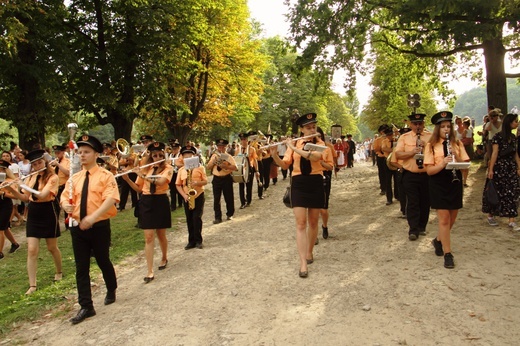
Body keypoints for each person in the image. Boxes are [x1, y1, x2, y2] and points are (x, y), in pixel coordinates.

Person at [60, 135, 119, 325]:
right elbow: (63, 197)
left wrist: (93, 217)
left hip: (99, 226)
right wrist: (65, 206)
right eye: (80, 152)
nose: (82, 155)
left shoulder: (105, 176)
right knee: (81, 267)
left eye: (86, 152)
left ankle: (111, 288)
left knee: (103, 260)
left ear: (96, 154)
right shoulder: (74, 177)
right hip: (78, 228)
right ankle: (86, 306)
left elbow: (110, 199)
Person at [269, 113, 325, 278]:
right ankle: (302, 263)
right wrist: (273, 154)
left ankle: (309, 252)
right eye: (308, 127)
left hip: (315, 182)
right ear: (301, 129)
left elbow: (315, 156)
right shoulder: (294, 143)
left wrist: (293, 147)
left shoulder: (320, 143)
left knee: (314, 222)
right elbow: (285, 165)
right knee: (301, 223)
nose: (312, 129)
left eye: (313, 127)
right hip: (299, 183)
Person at [5, 150, 62, 294]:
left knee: (51, 247)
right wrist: (10, 188)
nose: (37, 166)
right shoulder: (32, 177)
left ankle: (59, 271)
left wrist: (22, 184)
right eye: (34, 165)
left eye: (40, 163)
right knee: (32, 250)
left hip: (48, 211)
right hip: (34, 213)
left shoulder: (53, 177)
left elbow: (42, 195)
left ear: (45, 162)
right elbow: (25, 198)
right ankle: (32, 285)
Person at [424, 111, 470, 269]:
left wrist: (456, 156)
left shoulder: (457, 143)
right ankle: (448, 254)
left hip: (454, 181)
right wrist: (443, 162)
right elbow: (429, 171)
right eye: (443, 126)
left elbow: (466, 163)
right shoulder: (430, 146)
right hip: (438, 182)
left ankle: (438, 241)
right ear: (438, 128)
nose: (446, 129)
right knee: (443, 219)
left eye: (448, 126)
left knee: (451, 219)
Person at [122, 142, 173, 282]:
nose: (157, 157)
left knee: (161, 234)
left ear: (163, 155)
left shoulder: (168, 168)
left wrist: (142, 175)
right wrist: (127, 179)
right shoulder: (146, 168)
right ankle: (149, 271)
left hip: (160, 201)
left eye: (159, 155)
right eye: (154, 155)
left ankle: (164, 257)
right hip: (146, 202)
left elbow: (161, 182)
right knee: (149, 236)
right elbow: (139, 189)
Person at [394, 113, 432, 241]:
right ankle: (413, 229)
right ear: (411, 125)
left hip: (426, 174)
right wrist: (411, 152)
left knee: (425, 202)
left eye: (420, 123)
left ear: (423, 124)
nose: (417, 126)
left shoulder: (430, 137)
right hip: (410, 174)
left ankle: (422, 226)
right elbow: (398, 154)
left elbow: (437, 154)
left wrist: (425, 147)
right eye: (415, 124)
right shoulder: (405, 137)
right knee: (413, 202)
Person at [482, 113, 520, 230]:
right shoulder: (498, 137)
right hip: (499, 167)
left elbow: (515, 154)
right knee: (496, 191)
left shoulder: (513, 138)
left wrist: (519, 166)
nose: (517, 123)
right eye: (515, 121)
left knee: (512, 192)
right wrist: (491, 169)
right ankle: (491, 215)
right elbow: (494, 154)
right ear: (509, 123)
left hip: (510, 168)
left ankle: (511, 220)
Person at [176, 145, 208, 249]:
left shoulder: (200, 167)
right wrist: (184, 195)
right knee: (189, 218)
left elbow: (206, 181)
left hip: (198, 195)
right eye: (185, 156)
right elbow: (178, 185)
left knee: (196, 218)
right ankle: (191, 241)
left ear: (194, 156)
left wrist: (197, 183)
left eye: (190, 156)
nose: (188, 158)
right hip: (187, 196)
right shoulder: (181, 170)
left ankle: (199, 240)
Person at [207, 139, 237, 224]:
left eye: (223, 147)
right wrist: (213, 162)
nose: (221, 148)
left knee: (229, 197)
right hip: (216, 179)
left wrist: (226, 166)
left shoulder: (228, 156)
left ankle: (230, 214)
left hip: (226, 178)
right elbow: (208, 167)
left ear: (225, 147)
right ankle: (217, 217)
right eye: (219, 146)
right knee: (216, 199)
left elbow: (235, 167)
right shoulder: (214, 156)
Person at [0, 161, 21, 259]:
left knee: (0, 228)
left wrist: (4, 194)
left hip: (5, 204)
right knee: (5, 228)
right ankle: (14, 244)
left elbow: (15, 196)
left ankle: (0, 253)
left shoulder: (10, 181)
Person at [317, 127, 335, 239]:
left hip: (324, 177)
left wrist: (321, 162)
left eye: (319, 136)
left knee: (323, 208)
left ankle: (325, 225)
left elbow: (330, 166)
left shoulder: (327, 148)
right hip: (310, 178)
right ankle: (312, 232)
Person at [237, 132, 260, 209]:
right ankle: (242, 202)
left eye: (245, 139)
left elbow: (255, 160)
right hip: (241, 169)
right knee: (241, 186)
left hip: (249, 168)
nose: (243, 141)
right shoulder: (238, 149)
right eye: (242, 140)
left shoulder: (252, 149)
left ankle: (248, 200)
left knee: (249, 185)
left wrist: (257, 171)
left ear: (247, 140)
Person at [167, 139, 183, 211]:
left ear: (178, 148)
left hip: (179, 173)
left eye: (175, 149)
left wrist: (178, 164)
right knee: (172, 190)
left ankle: (180, 203)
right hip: (172, 174)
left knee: (179, 188)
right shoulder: (170, 155)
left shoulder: (181, 155)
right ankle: (173, 205)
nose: (174, 150)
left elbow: (184, 164)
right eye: (173, 149)